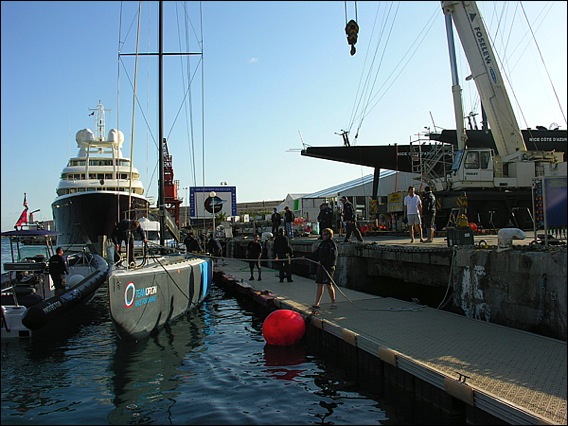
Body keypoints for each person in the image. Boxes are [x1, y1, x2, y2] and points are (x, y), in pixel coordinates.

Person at [311, 228, 338, 310]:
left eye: (326, 234)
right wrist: (305, 257)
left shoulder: (332, 244)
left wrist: (323, 261)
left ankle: (333, 302)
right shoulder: (322, 243)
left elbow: (333, 257)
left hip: (328, 267)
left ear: (330, 235)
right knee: (319, 284)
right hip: (321, 266)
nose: (324, 236)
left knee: (329, 284)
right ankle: (317, 303)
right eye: (323, 234)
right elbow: (316, 254)